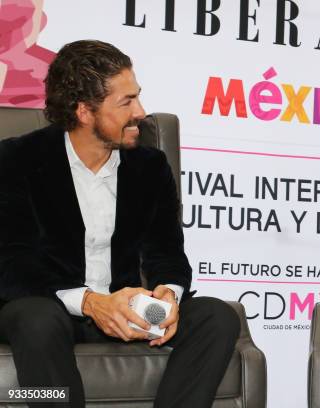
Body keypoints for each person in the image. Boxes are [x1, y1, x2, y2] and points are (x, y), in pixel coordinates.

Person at [0, 40, 240, 408]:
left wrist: (168, 296)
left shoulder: (150, 167)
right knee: (35, 317)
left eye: (138, 97)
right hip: (53, 307)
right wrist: (92, 303)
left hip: (127, 311)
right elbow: (14, 263)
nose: (141, 112)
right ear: (84, 111)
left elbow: (167, 254)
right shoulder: (17, 159)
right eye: (126, 102)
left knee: (216, 316)